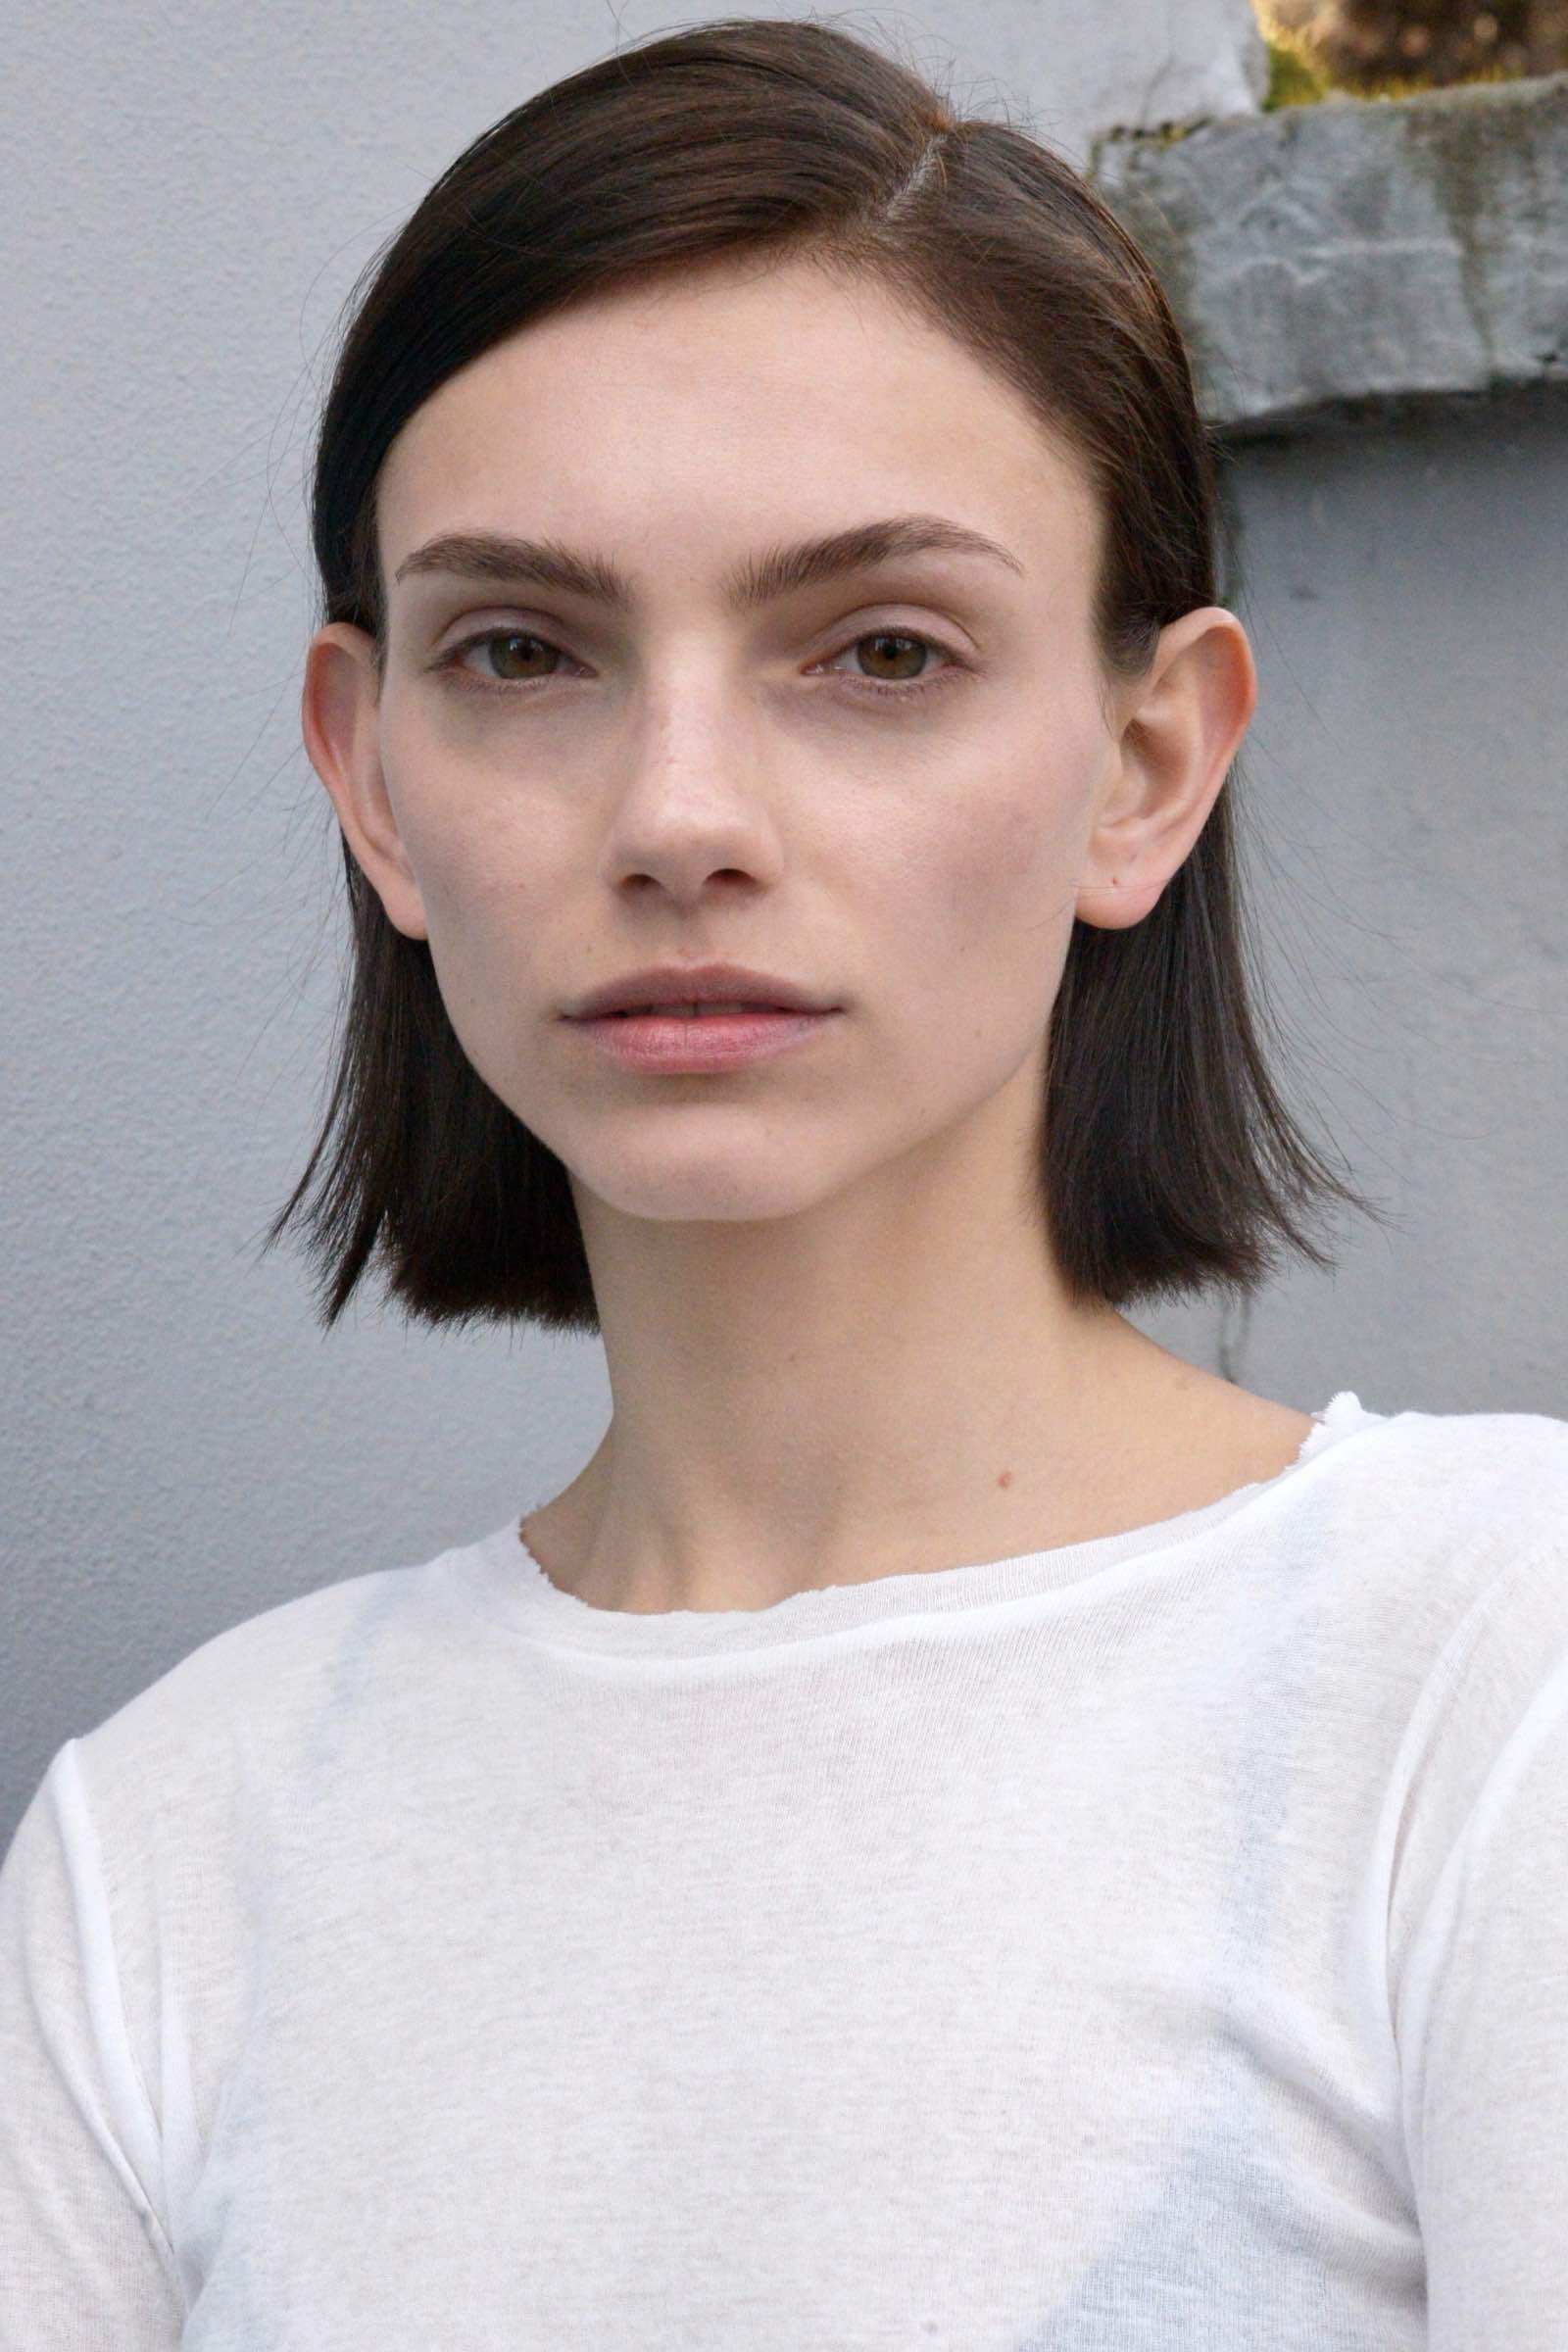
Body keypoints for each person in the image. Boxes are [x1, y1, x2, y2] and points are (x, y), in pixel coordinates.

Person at [3, 18, 1564, 2347]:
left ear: (1146, 764)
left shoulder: (1488, 1676)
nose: (677, 815)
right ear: (372, 777)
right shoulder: (159, 1860)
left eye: (879, 652)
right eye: (520, 650)